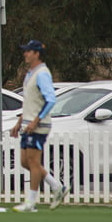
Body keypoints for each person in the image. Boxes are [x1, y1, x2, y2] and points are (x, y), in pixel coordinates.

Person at [10, 39, 68, 212]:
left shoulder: (43, 73)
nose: (25, 54)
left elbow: (51, 100)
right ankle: (57, 187)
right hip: (27, 123)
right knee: (25, 163)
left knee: (34, 162)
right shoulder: (30, 73)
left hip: (38, 125)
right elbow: (30, 102)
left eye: (28, 51)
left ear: (37, 54)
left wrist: (36, 121)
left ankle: (31, 203)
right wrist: (19, 121)